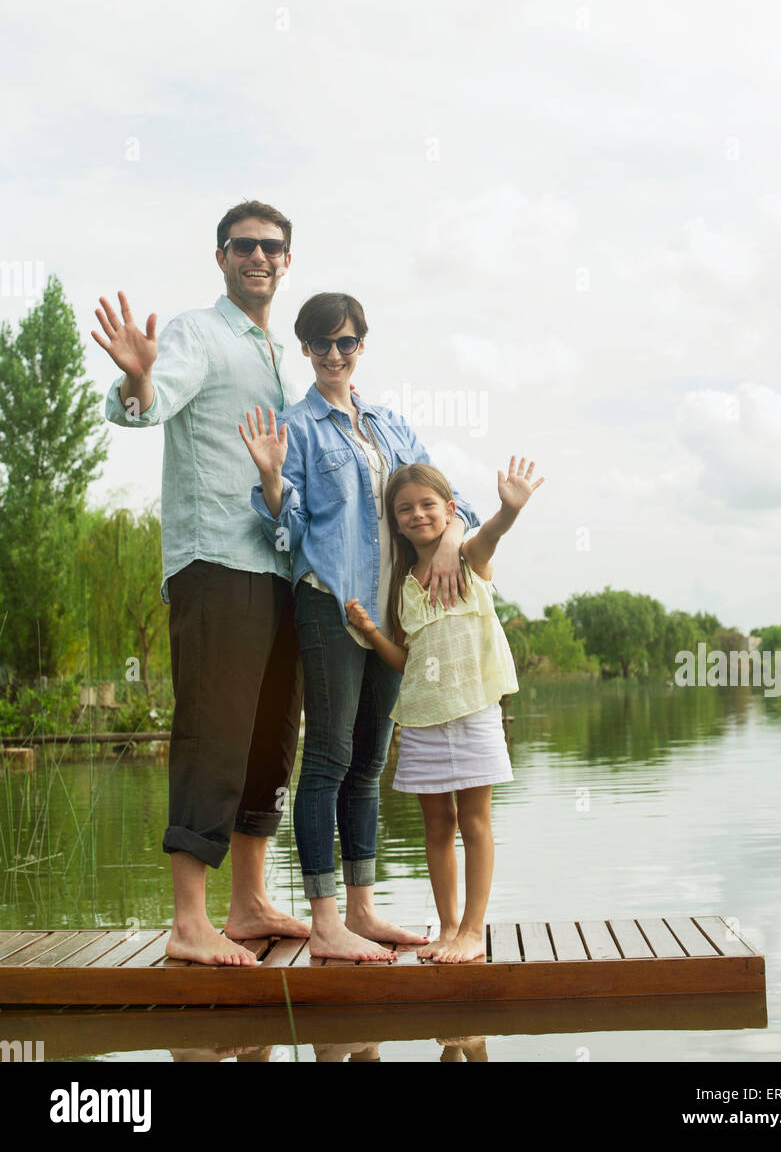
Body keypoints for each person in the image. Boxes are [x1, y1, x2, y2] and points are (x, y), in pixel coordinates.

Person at [92, 201, 309, 967]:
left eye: (273, 247)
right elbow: (146, 407)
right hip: (217, 562)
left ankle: (248, 904)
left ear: (288, 260)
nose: (260, 257)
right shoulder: (197, 333)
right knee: (214, 735)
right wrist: (138, 382)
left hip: (280, 567)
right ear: (221, 256)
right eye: (245, 245)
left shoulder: (281, 355)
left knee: (269, 741)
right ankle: (190, 921)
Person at [240, 291, 480, 961]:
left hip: (392, 615)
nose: (335, 356)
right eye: (322, 345)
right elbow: (281, 529)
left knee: (370, 761)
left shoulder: (391, 426)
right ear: (307, 350)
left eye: (346, 343)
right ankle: (324, 923)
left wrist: (450, 539)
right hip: (329, 603)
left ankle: (362, 910)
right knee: (329, 758)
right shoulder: (297, 428)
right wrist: (268, 479)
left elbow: (450, 500)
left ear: (361, 347)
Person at [345, 456, 543, 963]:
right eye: (404, 509)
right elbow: (405, 660)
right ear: (395, 521)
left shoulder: (468, 558)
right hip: (421, 717)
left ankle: (474, 930)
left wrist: (508, 511)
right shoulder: (403, 585)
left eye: (427, 504)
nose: (417, 515)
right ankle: (449, 927)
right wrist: (372, 634)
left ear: (450, 509)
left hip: (473, 709)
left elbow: (491, 537)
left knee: (475, 822)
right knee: (437, 825)